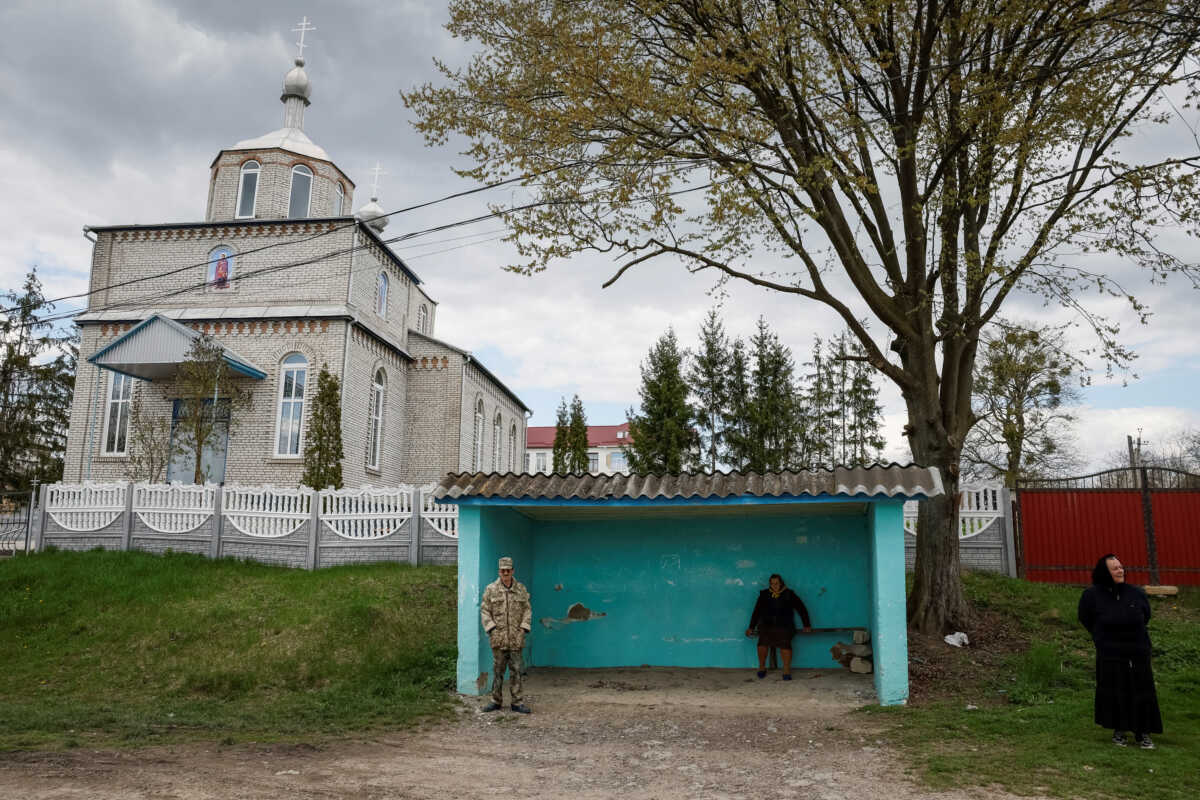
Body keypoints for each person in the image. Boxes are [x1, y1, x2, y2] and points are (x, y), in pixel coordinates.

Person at [1077, 553, 1163, 749]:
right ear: (1104, 572)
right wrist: (1101, 637)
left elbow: (1145, 615)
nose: (1120, 570)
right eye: (1115, 568)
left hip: (1137, 651)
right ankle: (1119, 730)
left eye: (1121, 567)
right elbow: (1085, 618)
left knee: (1141, 690)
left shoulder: (1136, 593)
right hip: (1110, 652)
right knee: (1115, 690)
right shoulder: (1091, 595)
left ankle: (1143, 733)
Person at [480, 556, 532, 713]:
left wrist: (523, 629)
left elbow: (527, 610)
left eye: (508, 570)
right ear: (499, 571)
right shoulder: (491, 590)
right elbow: (484, 611)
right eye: (503, 571)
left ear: (512, 571)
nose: (505, 573)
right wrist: (492, 630)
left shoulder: (521, 589)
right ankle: (496, 701)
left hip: (516, 637)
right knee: (498, 671)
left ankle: (517, 702)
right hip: (499, 637)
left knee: (516, 670)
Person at [745, 573, 812, 680]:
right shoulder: (764, 594)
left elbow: (801, 608)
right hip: (767, 625)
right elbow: (756, 611)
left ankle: (786, 670)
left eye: (776, 583)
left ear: (781, 583)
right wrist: (751, 627)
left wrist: (807, 624)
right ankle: (761, 667)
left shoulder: (789, 594)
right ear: (770, 584)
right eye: (772, 584)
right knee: (762, 643)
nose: (774, 585)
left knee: (785, 644)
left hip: (784, 625)